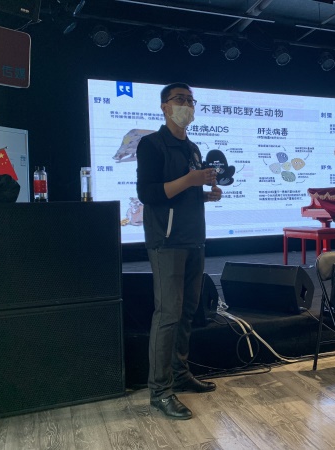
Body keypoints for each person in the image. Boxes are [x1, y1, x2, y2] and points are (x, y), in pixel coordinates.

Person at [136, 82, 222, 420]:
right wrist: (190, 180)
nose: (187, 105)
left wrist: (206, 194)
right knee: (168, 314)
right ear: (164, 107)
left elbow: (184, 193)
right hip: (166, 241)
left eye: (190, 100)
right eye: (180, 99)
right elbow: (148, 194)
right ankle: (160, 391)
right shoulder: (151, 144)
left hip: (193, 238)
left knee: (187, 312)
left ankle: (180, 373)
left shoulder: (193, 147)